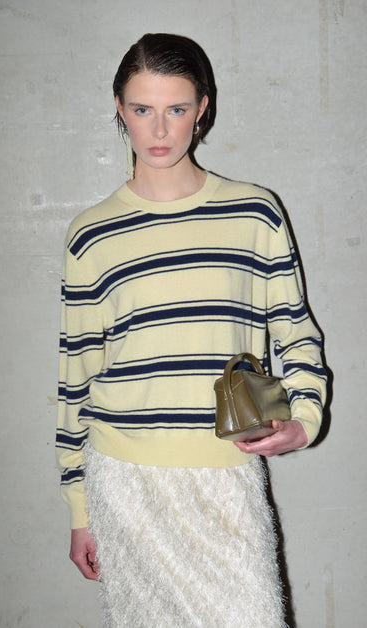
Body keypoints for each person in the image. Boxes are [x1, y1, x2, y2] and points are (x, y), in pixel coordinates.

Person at [56, 33, 327, 627]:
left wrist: (304, 419)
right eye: (141, 109)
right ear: (120, 108)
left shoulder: (254, 212)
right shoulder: (91, 234)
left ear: (202, 108)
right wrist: (79, 508)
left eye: (176, 109)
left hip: (225, 472)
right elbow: (77, 375)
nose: (159, 130)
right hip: (123, 479)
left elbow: (296, 329)